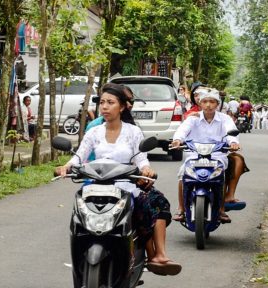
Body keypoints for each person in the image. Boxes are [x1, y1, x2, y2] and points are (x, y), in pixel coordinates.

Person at [55, 83, 182, 276]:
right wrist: (66, 167)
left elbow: (141, 158)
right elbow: (79, 157)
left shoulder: (133, 132)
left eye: (110, 102)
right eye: (102, 102)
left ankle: (158, 254)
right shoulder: (93, 132)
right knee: (78, 215)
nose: (104, 106)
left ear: (122, 107)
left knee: (157, 203)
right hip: (96, 187)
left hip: (127, 186)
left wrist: (146, 169)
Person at [171, 88, 249, 223]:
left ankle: (221, 209)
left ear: (217, 104)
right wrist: (177, 140)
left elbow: (232, 133)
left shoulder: (225, 119)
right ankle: (181, 208)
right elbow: (182, 131)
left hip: (217, 156)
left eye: (212, 102)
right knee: (183, 174)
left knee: (220, 176)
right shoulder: (193, 119)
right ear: (200, 103)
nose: (208, 105)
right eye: (205, 101)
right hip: (194, 155)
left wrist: (234, 143)